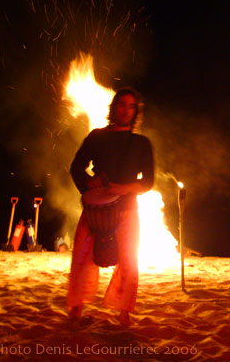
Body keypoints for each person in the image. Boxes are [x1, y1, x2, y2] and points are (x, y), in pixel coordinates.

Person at [67, 87, 154, 326]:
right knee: (82, 258)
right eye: (122, 104)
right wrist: (89, 184)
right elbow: (76, 168)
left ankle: (123, 312)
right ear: (114, 107)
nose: (125, 110)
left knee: (128, 260)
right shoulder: (97, 137)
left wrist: (123, 188)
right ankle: (76, 307)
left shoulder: (141, 144)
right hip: (95, 209)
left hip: (127, 209)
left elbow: (148, 181)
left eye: (131, 106)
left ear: (136, 112)